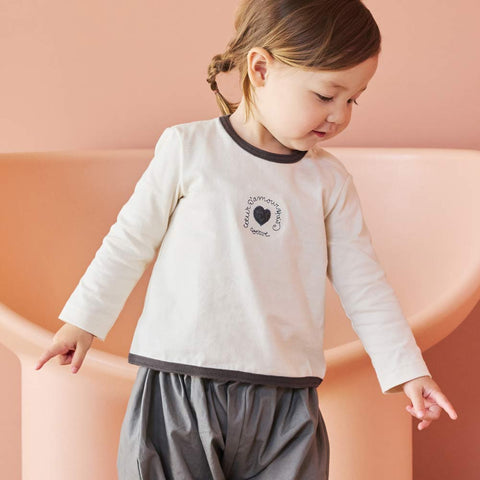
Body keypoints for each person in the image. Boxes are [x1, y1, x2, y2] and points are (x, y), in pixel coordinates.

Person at [35, 0, 458, 478]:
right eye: (326, 95)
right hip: (180, 385)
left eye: (353, 100)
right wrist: (82, 321)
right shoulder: (188, 149)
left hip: (286, 404)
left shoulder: (329, 182)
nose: (339, 116)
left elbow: (365, 285)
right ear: (260, 69)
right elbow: (129, 241)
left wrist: (408, 370)